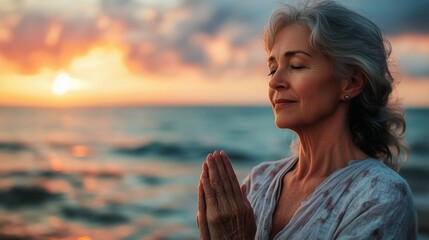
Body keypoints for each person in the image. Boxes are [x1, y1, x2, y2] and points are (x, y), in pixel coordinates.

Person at [197, 1, 417, 239]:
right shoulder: (259, 181)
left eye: (296, 65)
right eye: (272, 69)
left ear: (351, 83)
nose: (274, 82)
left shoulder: (381, 195)